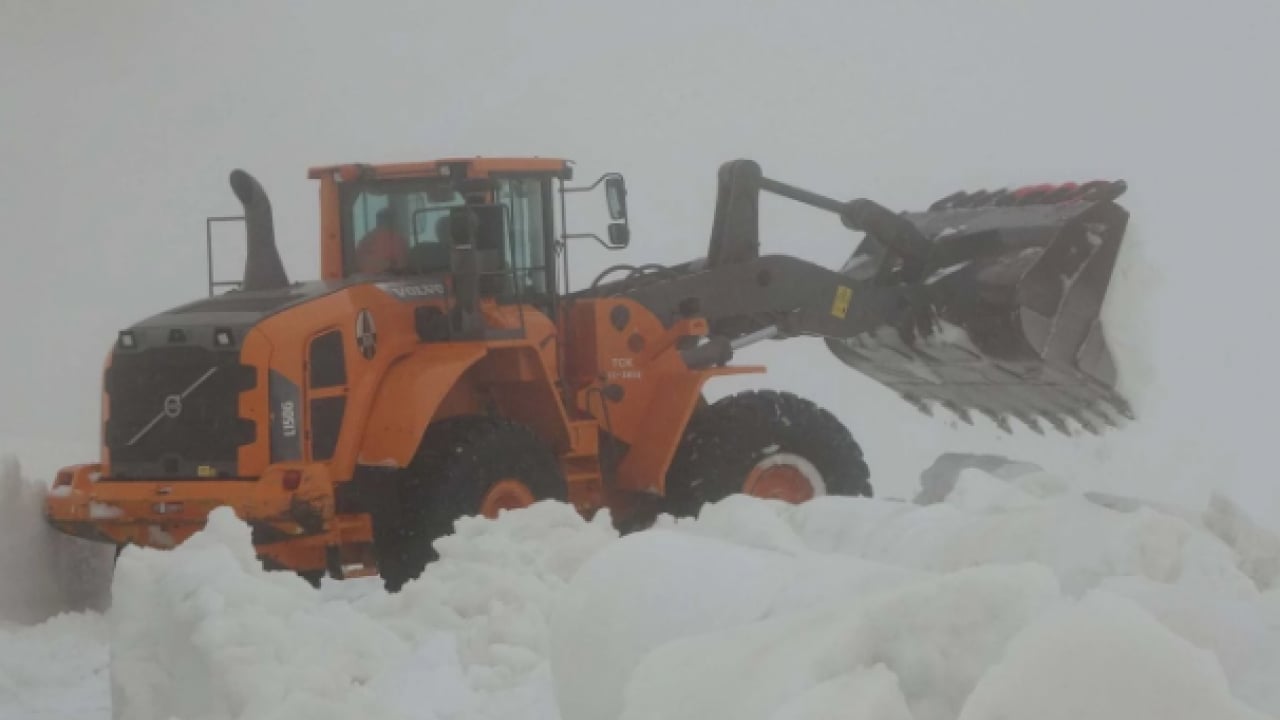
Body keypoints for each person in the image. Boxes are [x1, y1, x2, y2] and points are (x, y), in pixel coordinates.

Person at [355, 208, 408, 274]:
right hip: (389, 277)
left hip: (363, 277)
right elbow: (402, 267)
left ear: (378, 221)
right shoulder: (397, 240)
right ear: (392, 221)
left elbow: (356, 261)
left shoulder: (366, 238)